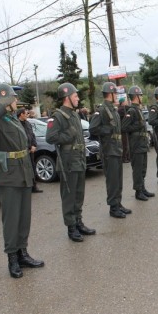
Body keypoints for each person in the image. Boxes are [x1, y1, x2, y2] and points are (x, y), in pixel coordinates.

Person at [0, 83, 44, 278]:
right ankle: (12, 259)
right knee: (11, 220)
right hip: (8, 177)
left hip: (23, 173)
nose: (16, 101)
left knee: (24, 218)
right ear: (6, 100)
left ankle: (22, 253)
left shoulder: (14, 120)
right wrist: (3, 102)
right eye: (13, 98)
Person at [46, 83, 95, 241]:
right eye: (76, 96)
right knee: (69, 196)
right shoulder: (58, 116)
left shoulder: (74, 115)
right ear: (67, 98)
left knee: (79, 194)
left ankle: (79, 222)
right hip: (67, 161)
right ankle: (71, 227)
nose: (78, 98)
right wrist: (69, 134)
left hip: (78, 159)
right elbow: (50, 138)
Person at [89, 82, 132, 218]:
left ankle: (118, 203)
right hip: (109, 150)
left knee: (118, 179)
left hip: (116, 149)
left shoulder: (113, 109)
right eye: (115, 94)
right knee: (112, 180)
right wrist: (107, 130)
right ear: (111, 94)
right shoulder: (101, 110)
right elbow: (93, 128)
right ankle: (113, 207)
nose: (117, 97)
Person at [121, 85, 155, 201]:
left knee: (143, 168)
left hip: (142, 144)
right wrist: (138, 125)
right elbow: (124, 127)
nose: (141, 97)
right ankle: (138, 191)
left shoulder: (138, 110)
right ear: (136, 96)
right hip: (136, 145)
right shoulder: (131, 110)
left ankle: (142, 188)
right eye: (140, 95)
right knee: (137, 169)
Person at [17, 108, 43, 193]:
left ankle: (34, 186)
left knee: (32, 167)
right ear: (21, 114)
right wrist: (28, 147)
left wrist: (34, 145)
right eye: (26, 113)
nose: (27, 115)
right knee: (23, 170)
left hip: (31, 150)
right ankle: (25, 188)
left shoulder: (27, 123)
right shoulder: (17, 125)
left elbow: (32, 135)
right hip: (23, 151)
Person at [118, 97, 131, 163]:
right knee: (125, 144)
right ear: (122, 102)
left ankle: (128, 157)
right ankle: (124, 158)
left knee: (127, 144)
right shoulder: (121, 109)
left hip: (125, 129)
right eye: (125, 101)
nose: (126, 102)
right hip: (122, 129)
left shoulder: (124, 108)